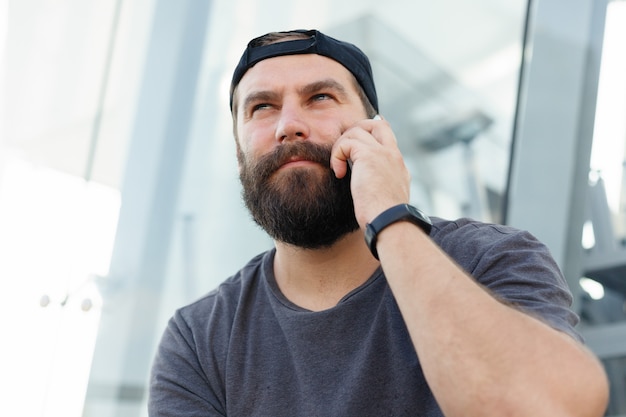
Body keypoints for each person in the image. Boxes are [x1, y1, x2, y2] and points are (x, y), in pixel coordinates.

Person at [148, 29, 609, 416]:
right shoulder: (200, 338)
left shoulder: (489, 259)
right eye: (262, 107)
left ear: (375, 131)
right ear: (240, 152)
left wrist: (389, 217)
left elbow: (552, 407)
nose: (289, 124)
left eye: (320, 97)